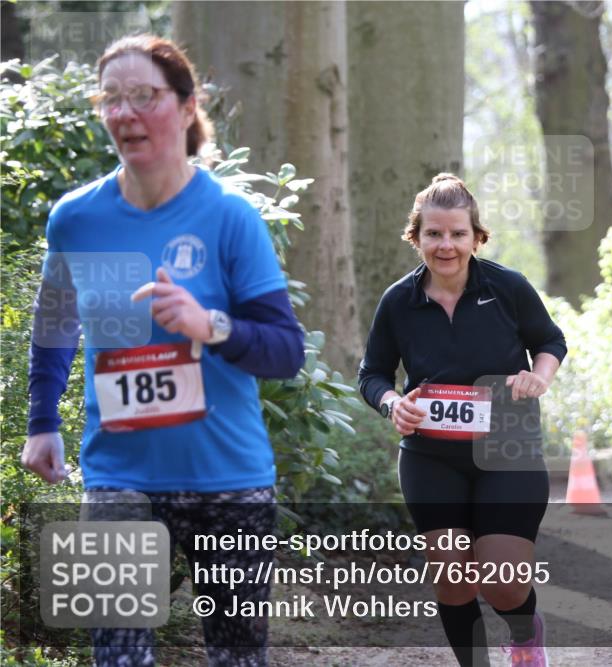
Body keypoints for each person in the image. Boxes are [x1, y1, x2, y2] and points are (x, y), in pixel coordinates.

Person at [20, 34, 305, 666]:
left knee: (236, 659)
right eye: (111, 99)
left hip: (228, 481)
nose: (124, 113)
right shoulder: (75, 219)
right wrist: (43, 422)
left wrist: (211, 326)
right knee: (117, 658)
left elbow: (286, 351)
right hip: (118, 476)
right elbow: (56, 323)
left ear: (184, 107)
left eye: (143, 96)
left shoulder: (231, 217)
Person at [359, 174, 566, 667]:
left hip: (507, 449)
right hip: (431, 456)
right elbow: (372, 373)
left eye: (457, 233)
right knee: (452, 579)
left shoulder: (507, 287)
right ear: (417, 237)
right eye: (434, 234)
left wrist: (539, 377)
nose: (446, 245)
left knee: (503, 580)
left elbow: (551, 342)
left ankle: (524, 636)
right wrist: (392, 403)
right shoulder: (398, 302)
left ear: (476, 236)